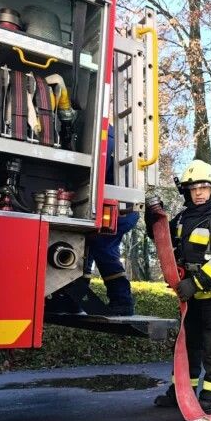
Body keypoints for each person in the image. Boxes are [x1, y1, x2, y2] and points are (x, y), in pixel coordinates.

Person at [149, 159, 211, 414]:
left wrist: (195, 283)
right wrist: (153, 221)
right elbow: (164, 241)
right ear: (187, 192)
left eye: (203, 187)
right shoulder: (182, 219)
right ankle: (181, 390)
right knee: (185, 347)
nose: (199, 192)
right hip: (191, 299)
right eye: (193, 188)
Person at [82, 125, 139, 315]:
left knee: (101, 245)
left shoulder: (102, 135)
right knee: (88, 245)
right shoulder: (113, 137)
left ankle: (122, 302)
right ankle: (75, 296)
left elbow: (95, 173)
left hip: (118, 208)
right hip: (122, 207)